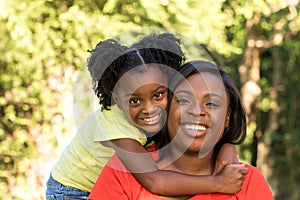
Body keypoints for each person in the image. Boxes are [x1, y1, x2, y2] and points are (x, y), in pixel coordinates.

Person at [46, 33, 245, 200]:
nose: (149, 109)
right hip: (71, 191)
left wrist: (227, 148)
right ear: (116, 97)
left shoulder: (169, 110)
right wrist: (217, 183)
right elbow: (154, 180)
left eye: (158, 95)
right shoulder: (115, 126)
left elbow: (200, 133)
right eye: (135, 100)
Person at [88, 60, 273, 200]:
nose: (197, 111)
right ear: (166, 109)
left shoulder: (246, 182)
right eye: (184, 100)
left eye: (211, 103)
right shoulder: (125, 170)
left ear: (227, 117)